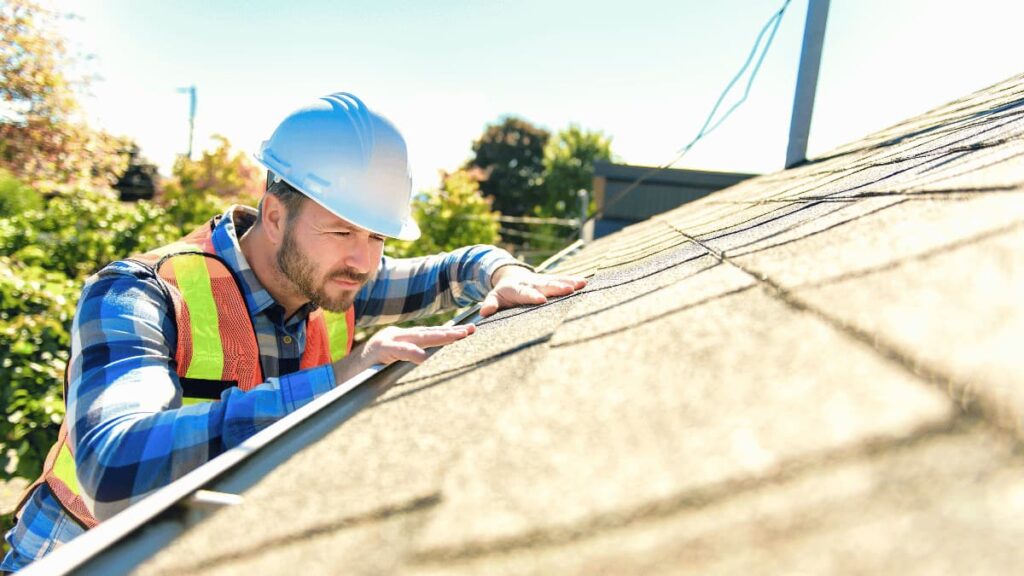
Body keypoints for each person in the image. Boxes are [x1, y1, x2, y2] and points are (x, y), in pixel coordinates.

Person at [1, 93, 586, 571]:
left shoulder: (337, 281)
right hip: (74, 555)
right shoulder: (139, 294)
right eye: (343, 233)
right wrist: (339, 380)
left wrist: (506, 273)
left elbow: (457, 267)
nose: (364, 260)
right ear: (275, 215)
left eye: (379, 237)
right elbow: (113, 468)